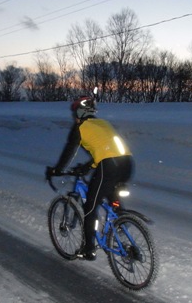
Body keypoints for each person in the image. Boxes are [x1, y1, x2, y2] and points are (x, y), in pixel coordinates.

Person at [47, 96, 134, 261]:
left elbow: (69, 152)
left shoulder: (80, 127)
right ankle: (121, 220)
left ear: (79, 112)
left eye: (74, 113)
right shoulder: (103, 124)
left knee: (90, 207)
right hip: (127, 164)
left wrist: (57, 170)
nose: (74, 116)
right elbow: (107, 149)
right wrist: (88, 167)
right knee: (110, 193)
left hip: (109, 166)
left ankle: (89, 249)